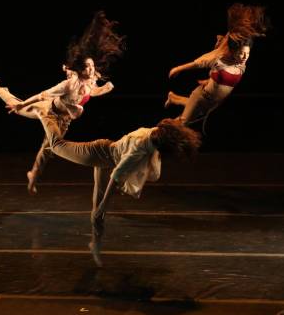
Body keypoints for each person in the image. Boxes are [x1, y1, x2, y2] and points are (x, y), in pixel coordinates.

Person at [0, 10, 125, 194]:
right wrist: (21, 105)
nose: (91, 68)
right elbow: (42, 95)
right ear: (80, 69)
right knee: (20, 112)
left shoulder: (91, 80)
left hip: (64, 119)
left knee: (48, 150)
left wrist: (103, 90)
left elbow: (90, 93)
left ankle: (33, 175)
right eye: (87, 66)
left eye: (92, 66)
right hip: (48, 111)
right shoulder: (68, 84)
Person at [38, 110, 201, 266]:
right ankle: (45, 114)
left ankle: (95, 244)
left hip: (109, 161)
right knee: (56, 145)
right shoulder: (139, 148)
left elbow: (171, 130)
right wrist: (103, 206)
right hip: (98, 153)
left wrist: (180, 127)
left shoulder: (157, 132)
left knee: (97, 213)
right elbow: (116, 176)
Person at [164, 3, 269, 129]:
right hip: (202, 97)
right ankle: (161, 132)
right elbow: (199, 62)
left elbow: (245, 38)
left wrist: (255, 31)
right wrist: (178, 69)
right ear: (232, 52)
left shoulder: (242, 57)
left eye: (245, 52)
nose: (243, 56)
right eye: (240, 53)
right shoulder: (220, 61)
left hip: (214, 99)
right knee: (183, 122)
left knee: (196, 112)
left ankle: (173, 98)